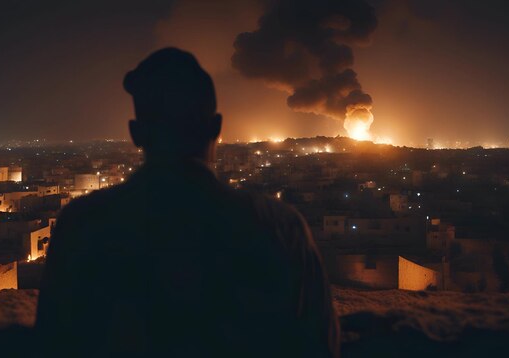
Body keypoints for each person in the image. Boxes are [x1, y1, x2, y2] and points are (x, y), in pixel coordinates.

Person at [36, 47, 339, 357]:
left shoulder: (84, 226)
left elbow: (54, 342)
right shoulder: (280, 228)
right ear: (216, 127)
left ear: (136, 133)